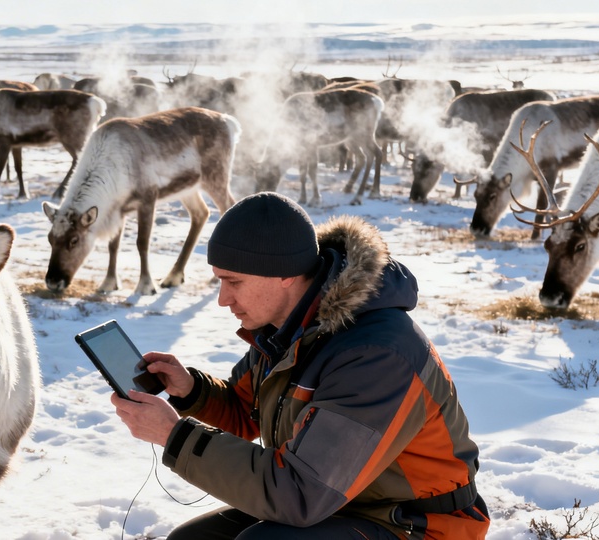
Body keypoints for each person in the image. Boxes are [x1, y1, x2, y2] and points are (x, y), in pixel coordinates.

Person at [111, 192, 490, 539]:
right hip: (344, 502)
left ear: (285, 274)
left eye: (234, 282)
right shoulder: (287, 328)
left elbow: (299, 495)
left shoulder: (374, 354)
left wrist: (174, 436)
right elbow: (248, 413)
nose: (223, 299)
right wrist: (190, 390)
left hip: (417, 525)